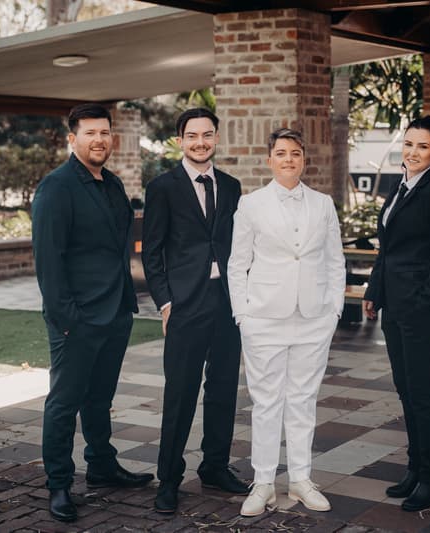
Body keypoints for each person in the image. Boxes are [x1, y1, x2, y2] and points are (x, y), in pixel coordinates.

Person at [32, 103, 153, 523]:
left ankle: (101, 465)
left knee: (100, 399)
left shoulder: (113, 184)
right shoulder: (56, 188)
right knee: (64, 403)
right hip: (77, 318)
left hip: (116, 311)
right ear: (73, 139)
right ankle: (59, 484)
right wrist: (67, 319)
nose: (99, 139)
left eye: (105, 132)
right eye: (89, 133)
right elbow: (49, 262)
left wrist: (125, 304)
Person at [227, 128, 346, 517]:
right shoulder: (251, 205)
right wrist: (242, 314)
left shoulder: (323, 204)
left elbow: (334, 261)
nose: (289, 159)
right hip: (263, 319)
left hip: (313, 319)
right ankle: (263, 482)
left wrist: (334, 311)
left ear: (304, 159)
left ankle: (300, 479)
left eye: (296, 153)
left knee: (302, 401)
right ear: (269, 160)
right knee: (265, 403)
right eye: (281, 153)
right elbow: (237, 263)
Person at [142, 108, 248, 514]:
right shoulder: (163, 187)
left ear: (216, 138)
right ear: (180, 141)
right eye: (192, 136)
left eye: (207, 135)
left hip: (227, 303)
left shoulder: (233, 187)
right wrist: (166, 302)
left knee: (222, 389)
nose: (200, 142)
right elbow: (151, 253)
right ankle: (168, 479)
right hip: (185, 305)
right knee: (181, 393)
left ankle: (216, 466)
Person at [362, 116, 430, 512]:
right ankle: (415, 468)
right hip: (395, 305)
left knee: (422, 394)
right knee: (406, 389)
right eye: (408, 144)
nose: (412, 152)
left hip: (423, 310)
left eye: (422, 146)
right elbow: (387, 249)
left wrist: (425, 299)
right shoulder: (399, 187)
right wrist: (374, 290)